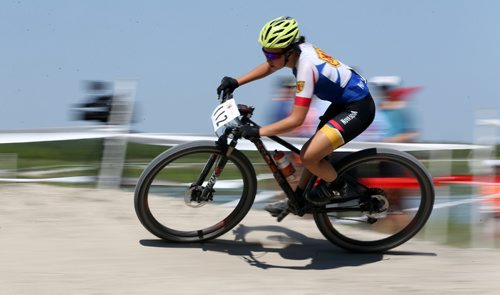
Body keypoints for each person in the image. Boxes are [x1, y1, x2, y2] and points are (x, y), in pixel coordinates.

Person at [216, 16, 375, 216]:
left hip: (358, 108)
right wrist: (237, 81)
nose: (269, 59)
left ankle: (339, 186)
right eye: (266, 53)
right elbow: (272, 65)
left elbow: (296, 120)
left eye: (272, 55)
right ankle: (298, 198)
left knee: (309, 156)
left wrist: (259, 131)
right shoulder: (296, 52)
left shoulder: (306, 68)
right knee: (313, 153)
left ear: (289, 51)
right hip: (343, 103)